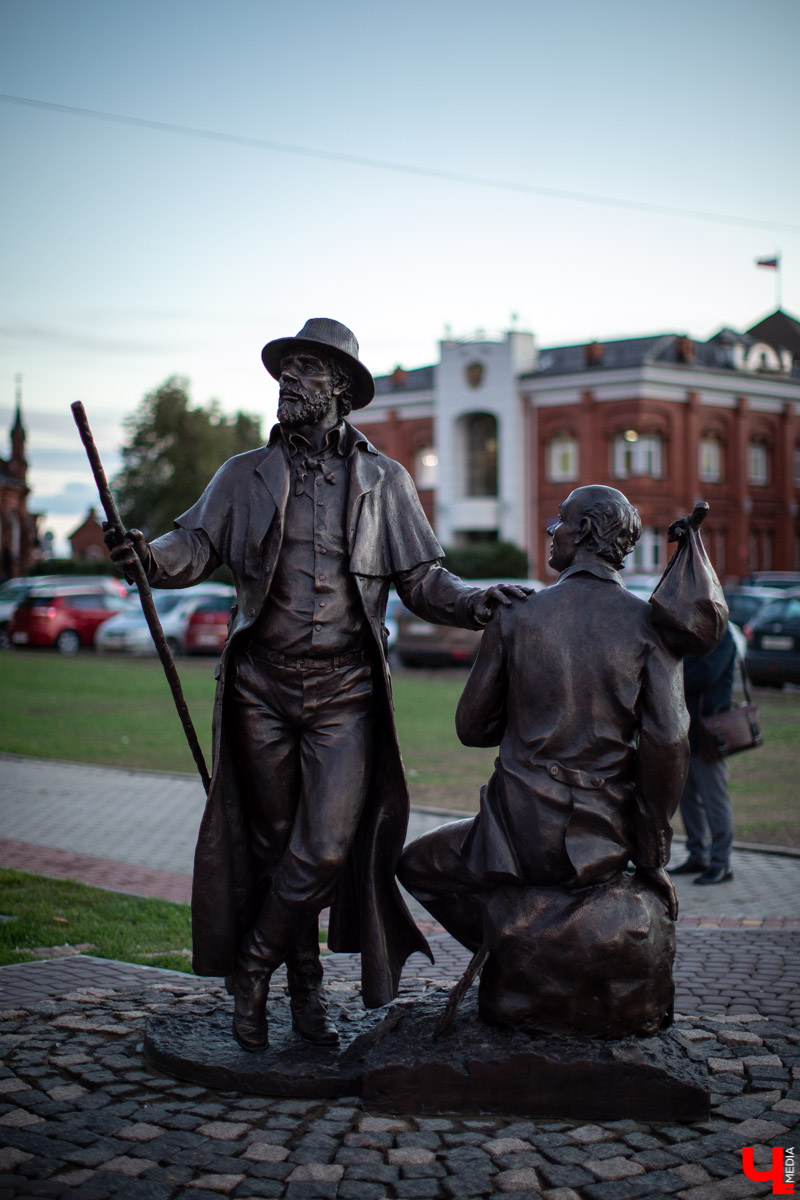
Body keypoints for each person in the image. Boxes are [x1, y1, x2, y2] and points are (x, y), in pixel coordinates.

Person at [107, 317, 526, 1051]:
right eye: (285, 368)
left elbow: (423, 579)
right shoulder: (244, 474)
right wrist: (149, 555)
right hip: (260, 690)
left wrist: (475, 602)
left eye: (305, 369)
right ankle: (304, 997)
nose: (288, 381)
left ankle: (255, 965)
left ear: (340, 388)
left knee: (325, 848)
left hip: (344, 694)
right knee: (274, 848)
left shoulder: (383, 480)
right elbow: (194, 544)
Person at [398, 484, 689, 948]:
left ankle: (512, 951)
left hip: (519, 833)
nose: (551, 531)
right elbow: (669, 743)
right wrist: (651, 859)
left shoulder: (516, 614)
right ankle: (530, 952)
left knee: (415, 864)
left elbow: (472, 729)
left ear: (586, 531)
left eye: (560, 520)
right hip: (607, 837)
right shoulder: (651, 626)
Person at [669, 627, 736, 885]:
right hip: (685, 732)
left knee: (714, 800)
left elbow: (705, 676)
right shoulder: (691, 636)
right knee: (686, 798)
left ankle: (721, 863)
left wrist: (672, 671)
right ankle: (699, 855)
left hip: (709, 733)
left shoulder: (721, 636)